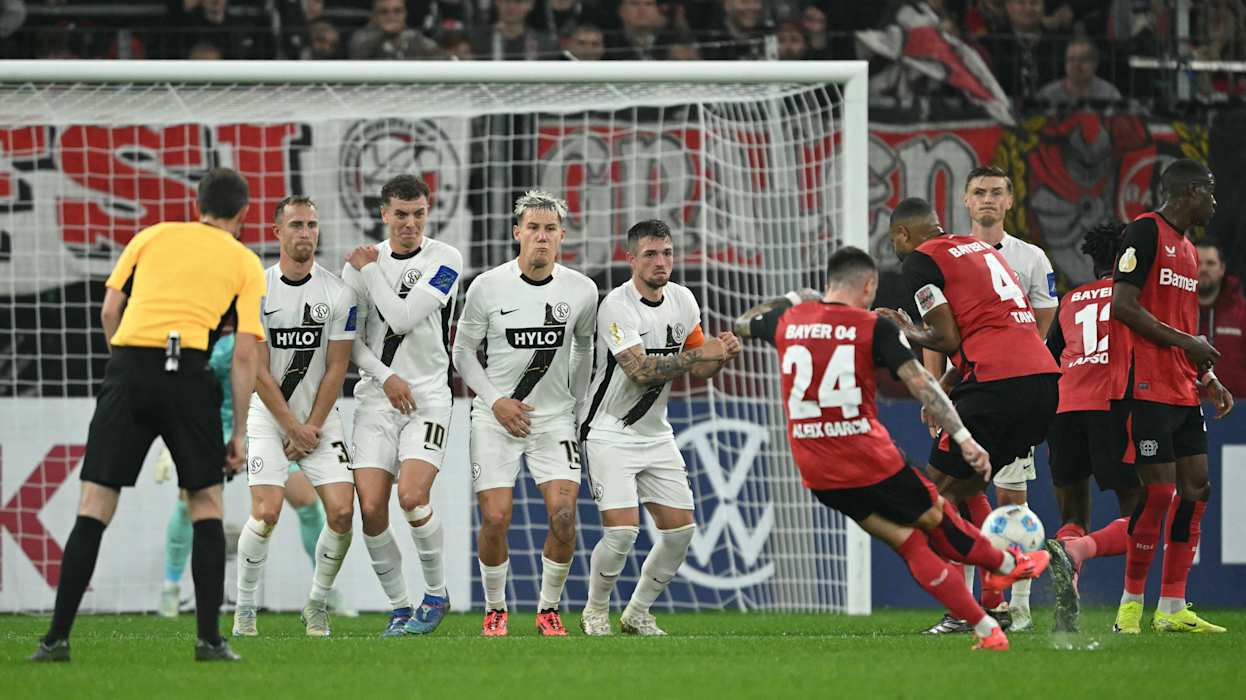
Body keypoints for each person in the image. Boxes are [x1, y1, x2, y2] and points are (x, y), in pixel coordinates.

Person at [735, 246, 1050, 651]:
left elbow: (743, 323)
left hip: (816, 471)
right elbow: (922, 384)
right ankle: (1009, 563)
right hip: (867, 459)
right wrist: (964, 438)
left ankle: (986, 628)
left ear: (829, 283)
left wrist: (793, 297)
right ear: (869, 286)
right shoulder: (872, 327)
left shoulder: (789, 320)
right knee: (936, 514)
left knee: (908, 541)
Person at [32, 167, 265, 663]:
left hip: (130, 368)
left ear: (197, 205)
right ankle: (209, 641)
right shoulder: (245, 261)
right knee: (205, 502)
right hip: (190, 373)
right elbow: (245, 354)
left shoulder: (151, 235)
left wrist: (124, 366)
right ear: (244, 214)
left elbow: (109, 309)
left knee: (94, 504)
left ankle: (55, 640)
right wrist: (239, 433)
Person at [878, 196, 1060, 636]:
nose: (896, 249)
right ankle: (993, 601)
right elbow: (988, 327)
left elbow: (945, 337)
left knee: (931, 500)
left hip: (996, 386)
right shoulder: (977, 249)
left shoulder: (921, 261)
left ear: (903, 233)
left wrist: (903, 329)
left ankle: (998, 579)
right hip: (1040, 382)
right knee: (966, 489)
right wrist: (946, 386)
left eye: (894, 240)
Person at [578, 220, 739, 637]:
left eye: (666, 253)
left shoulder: (683, 300)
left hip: (655, 433)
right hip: (609, 431)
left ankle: (637, 613)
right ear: (630, 259)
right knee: (622, 533)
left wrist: (720, 356)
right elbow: (639, 371)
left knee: (680, 532)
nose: (660, 262)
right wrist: (701, 354)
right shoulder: (616, 306)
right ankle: (595, 611)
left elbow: (700, 369)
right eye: (650, 254)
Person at [452, 191, 598, 637]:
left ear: (562, 236)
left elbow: (584, 349)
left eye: (550, 229)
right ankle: (495, 608)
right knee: (496, 518)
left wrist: (576, 404)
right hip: (494, 418)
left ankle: (548, 609)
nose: (541, 237)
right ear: (517, 233)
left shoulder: (582, 290)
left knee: (564, 517)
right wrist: (495, 401)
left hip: (553, 420)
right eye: (533, 228)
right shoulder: (487, 286)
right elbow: (462, 353)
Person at [1107, 159, 1234, 634]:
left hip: (1183, 388)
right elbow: (1122, 305)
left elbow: (1183, 326)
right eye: (1210, 193)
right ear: (1191, 192)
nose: (1215, 203)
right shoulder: (1144, 232)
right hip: (1145, 385)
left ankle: (1173, 607)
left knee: (1197, 488)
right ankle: (1129, 607)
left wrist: (1207, 376)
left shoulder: (1188, 249)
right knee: (1159, 492)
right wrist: (1188, 344)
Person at [156, 326, 354, 621]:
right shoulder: (211, 338)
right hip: (216, 426)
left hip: (266, 424)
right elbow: (188, 388)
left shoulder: (264, 329)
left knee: (307, 503)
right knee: (190, 501)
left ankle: (326, 591)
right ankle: (170, 589)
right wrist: (174, 441)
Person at [231, 195, 359, 638]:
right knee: (266, 512)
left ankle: (317, 603)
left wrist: (311, 429)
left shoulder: (339, 293)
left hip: (320, 421)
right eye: (296, 225)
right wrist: (291, 428)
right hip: (270, 419)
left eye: (311, 225)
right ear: (277, 232)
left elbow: (338, 367)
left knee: (342, 513)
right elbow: (257, 368)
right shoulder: (258, 290)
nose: (305, 233)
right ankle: (245, 607)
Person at [342, 174, 463, 637]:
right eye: (401, 215)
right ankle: (399, 607)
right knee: (371, 507)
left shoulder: (445, 259)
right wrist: (386, 376)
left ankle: (435, 594)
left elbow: (403, 316)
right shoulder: (360, 265)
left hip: (428, 398)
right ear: (384, 214)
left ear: (427, 212)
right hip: (376, 399)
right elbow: (350, 342)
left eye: (418, 214)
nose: (410, 223)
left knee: (411, 497)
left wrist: (370, 270)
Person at [950, 165, 1058, 630]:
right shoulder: (952, 256)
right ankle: (966, 606)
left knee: (1011, 496)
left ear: (1010, 201)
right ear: (966, 200)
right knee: (960, 494)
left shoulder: (1031, 257)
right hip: (968, 389)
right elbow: (942, 329)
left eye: (996, 192)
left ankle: (1019, 605)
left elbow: (1043, 321)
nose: (988, 199)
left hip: (1011, 389)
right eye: (979, 192)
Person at [1040, 222, 1141, 632]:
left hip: (1064, 408)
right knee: (1142, 514)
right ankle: (1090, 561)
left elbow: (1049, 358)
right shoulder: (1133, 296)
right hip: (1111, 404)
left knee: (1073, 514)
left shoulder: (1070, 300)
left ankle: (1070, 569)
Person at [1196, 239, 1246, 397]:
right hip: (1181, 407)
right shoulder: (1172, 311)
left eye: (1210, 263)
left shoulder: (1242, 314)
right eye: (1198, 263)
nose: (1203, 269)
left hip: (1237, 409)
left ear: (1222, 269)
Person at [1036, 37, 1124, 104]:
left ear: (1095, 63)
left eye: (1083, 59)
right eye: (1071, 59)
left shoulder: (1110, 94)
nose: (1076, 65)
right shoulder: (1046, 95)